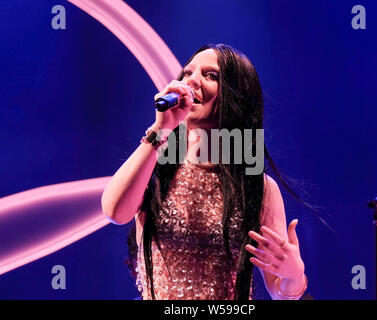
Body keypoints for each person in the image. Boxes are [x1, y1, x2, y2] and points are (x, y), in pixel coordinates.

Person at [102, 44, 308, 300]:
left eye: (211, 75)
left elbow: (281, 291)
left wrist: (293, 273)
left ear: (237, 96)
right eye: (187, 73)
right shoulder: (155, 166)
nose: (192, 81)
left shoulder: (258, 187)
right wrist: (161, 129)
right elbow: (114, 211)